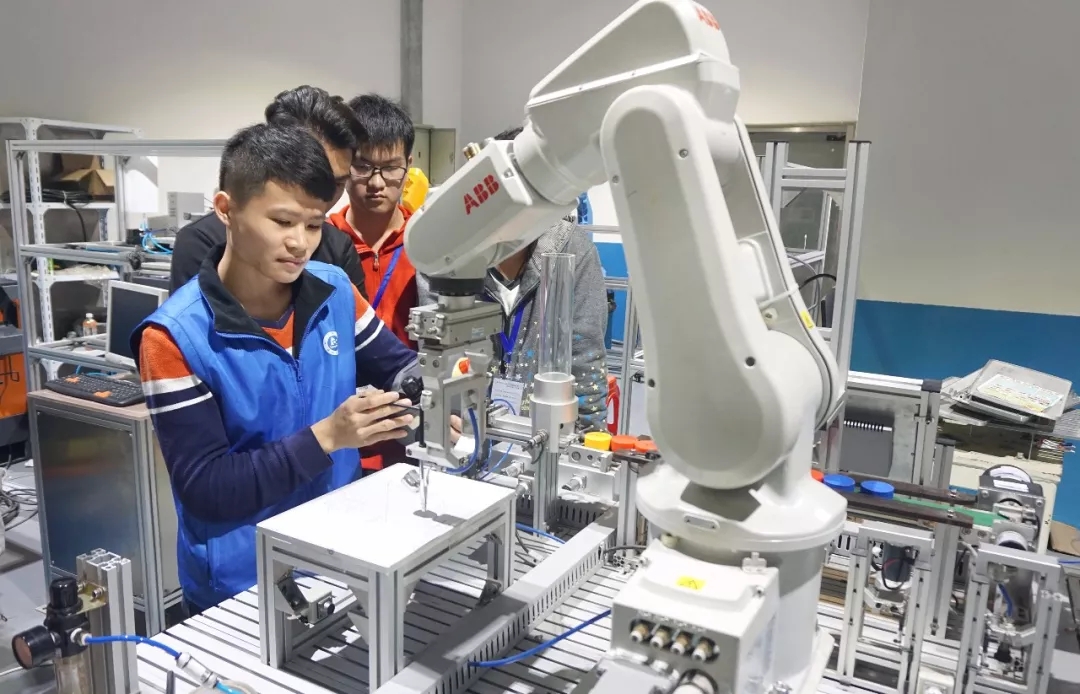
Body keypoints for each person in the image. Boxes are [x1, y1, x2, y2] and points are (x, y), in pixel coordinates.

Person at [133, 123, 423, 614]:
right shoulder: (174, 337)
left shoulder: (333, 291)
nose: (300, 243)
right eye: (283, 221)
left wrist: (431, 394)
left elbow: (396, 365)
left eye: (313, 225)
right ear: (226, 209)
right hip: (243, 582)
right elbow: (207, 487)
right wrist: (328, 436)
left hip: (340, 553)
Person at [416, 126, 610, 432]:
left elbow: (585, 358)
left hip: (544, 433)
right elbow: (439, 354)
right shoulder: (446, 254)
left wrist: (585, 442)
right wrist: (446, 421)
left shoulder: (573, 251)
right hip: (465, 432)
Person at [169, 85, 366, 295]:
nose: (323, 196)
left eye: (337, 184)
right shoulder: (200, 241)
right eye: (282, 221)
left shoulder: (338, 248)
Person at [327, 94, 418, 348]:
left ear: (408, 165)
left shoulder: (426, 241)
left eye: (390, 168)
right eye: (362, 167)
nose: (376, 183)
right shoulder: (322, 243)